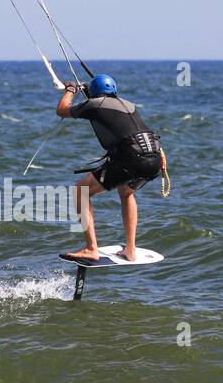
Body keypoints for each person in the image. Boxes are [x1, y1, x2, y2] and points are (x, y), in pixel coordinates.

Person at [56, 74, 164, 262]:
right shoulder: (128, 104)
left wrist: (70, 89)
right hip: (155, 159)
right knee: (126, 192)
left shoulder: (94, 104)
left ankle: (91, 249)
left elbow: (62, 110)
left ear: (94, 93)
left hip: (131, 159)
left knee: (80, 190)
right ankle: (130, 249)